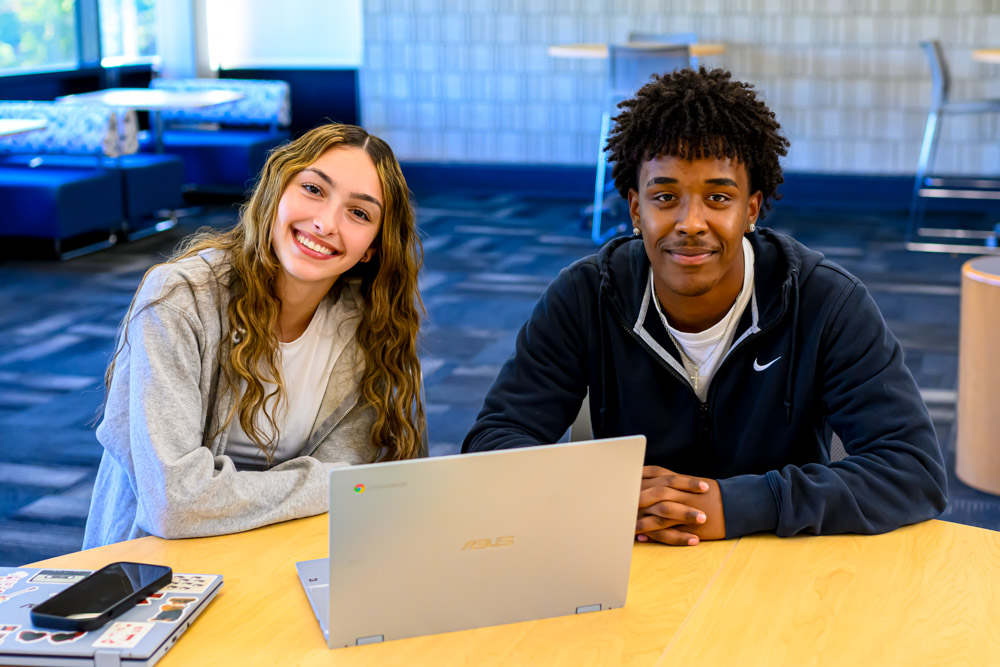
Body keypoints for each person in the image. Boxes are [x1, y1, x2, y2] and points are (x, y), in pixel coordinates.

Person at [462, 68, 947, 546]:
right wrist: (597, 493)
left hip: (779, 564)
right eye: (665, 196)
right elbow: (495, 443)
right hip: (633, 564)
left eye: (718, 197)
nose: (691, 223)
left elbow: (913, 469)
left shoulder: (825, 302)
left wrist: (733, 505)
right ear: (636, 210)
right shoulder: (585, 297)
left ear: (751, 210)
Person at [84, 124, 425, 547]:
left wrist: (336, 484)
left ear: (371, 247)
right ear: (277, 190)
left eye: (359, 213)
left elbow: (348, 477)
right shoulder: (180, 298)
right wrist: (332, 484)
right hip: (157, 568)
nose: (325, 223)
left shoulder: (365, 327)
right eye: (314, 190)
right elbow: (172, 504)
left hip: (281, 552)